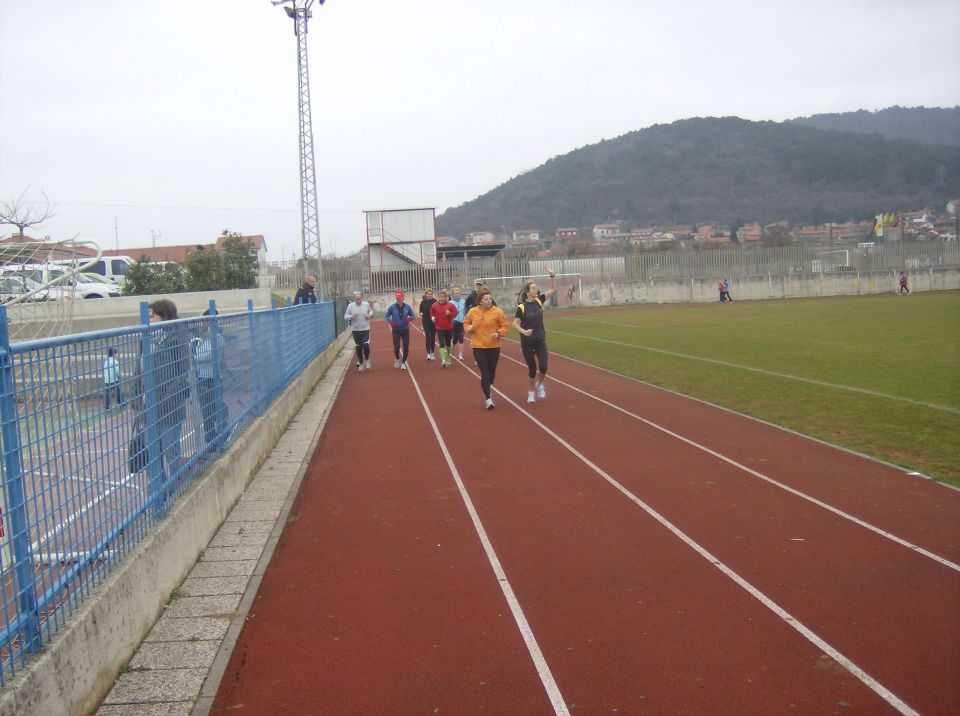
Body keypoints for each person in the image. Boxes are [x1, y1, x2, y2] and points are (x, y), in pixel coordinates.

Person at [135, 299, 190, 478]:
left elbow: (182, 371)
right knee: (152, 456)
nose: (149, 319)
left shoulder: (177, 338)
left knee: (171, 451)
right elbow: (138, 371)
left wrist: (167, 397)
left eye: (153, 315)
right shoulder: (146, 340)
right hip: (148, 408)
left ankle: (177, 488)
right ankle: (158, 496)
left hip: (169, 407)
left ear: (164, 317)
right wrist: (136, 397)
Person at [513, 268, 558, 403]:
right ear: (528, 292)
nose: (536, 290)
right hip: (527, 342)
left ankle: (539, 384)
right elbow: (514, 324)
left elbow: (553, 289)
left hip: (540, 340)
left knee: (543, 367)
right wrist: (524, 332)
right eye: (533, 288)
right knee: (532, 369)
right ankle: (531, 392)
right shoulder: (521, 307)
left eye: (536, 288)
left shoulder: (539, 301)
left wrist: (552, 275)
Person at [463, 289, 510, 410]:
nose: (489, 301)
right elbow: (466, 322)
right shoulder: (473, 311)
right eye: (486, 299)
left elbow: (505, 325)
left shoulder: (497, 311)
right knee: (484, 371)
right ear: (480, 301)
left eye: (490, 298)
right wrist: (469, 328)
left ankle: (487, 386)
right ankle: (488, 399)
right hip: (478, 346)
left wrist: (498, 333)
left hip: (494, 346)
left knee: (491, 373)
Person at [383, 290, 415, 370]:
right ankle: (397, 359)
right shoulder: (392, 307)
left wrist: (409, 319)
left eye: (399, 298)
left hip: (405, 329)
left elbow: (413, 316)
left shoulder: (407, 307)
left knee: (406, 346)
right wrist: (391, 322)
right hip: (396, 330)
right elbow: (386, 316)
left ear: (403, 298)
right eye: (397, 298)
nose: (398, 299)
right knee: (396, 347)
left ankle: (403, 362)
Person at [344, 291, 374, 371]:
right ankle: (361, 363)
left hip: (365, 328)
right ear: (354, 298)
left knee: (366, 346)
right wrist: (351, 316)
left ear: (362, 298)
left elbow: (371, 311)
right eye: (356, 299)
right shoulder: (350, 306)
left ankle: (367, 360)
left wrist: (369, 315)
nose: (358, 301)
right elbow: (345, 316)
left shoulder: (366, 304)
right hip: (355, 329)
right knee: (359, 347)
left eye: (359, 299)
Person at [429, 290, 459, 367]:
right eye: (439, 297)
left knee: (448, 344)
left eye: (442, 297)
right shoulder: (434, 305)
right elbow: (431, 311)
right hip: (439, 327)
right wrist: (432, 317)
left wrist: (450, 314)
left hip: (448, 327)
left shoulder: (450, 305)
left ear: (446, 298)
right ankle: (443, 360)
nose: (441, 299)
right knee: (442, 343)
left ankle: (448, 357)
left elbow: (455, 313)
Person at [418, 288, 438, 361]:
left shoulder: (435, 301)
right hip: (425, 321)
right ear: (426, 295)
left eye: (431, 294)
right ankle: (428, 353)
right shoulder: (423, 302)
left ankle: (432, 352)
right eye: (428, 294)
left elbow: (437, 310)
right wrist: (421, 313)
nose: (430, 295)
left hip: (433, 321)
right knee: (428, 336)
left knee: (432, 337)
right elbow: (420, 309)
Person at [450, 287, 467, 360]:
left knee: (461, 338)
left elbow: (466, 312)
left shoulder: (464, 302)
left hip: (462, 322)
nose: (457, 295)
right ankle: (452, 348)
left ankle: (460, 354)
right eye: (455, 293)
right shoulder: (450, 303)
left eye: (458, 293)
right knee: (454, 339)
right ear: (452, 295)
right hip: (453, 322)